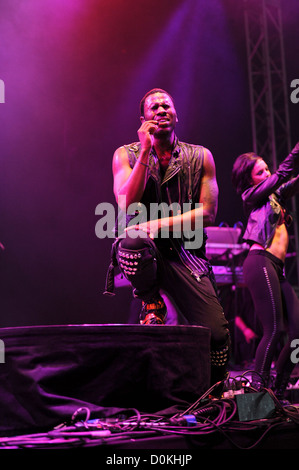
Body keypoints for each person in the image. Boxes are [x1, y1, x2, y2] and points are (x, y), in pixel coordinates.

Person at [104, 88, 230, 389]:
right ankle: (151, 301)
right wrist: (145, 152)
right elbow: (126, 203)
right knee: (131, 238)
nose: (161, 110)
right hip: (147, 252)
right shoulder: (127, 154)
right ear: (143, 119)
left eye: (166, 106)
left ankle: (213, 392)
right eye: (153, 108)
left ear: (176, 114)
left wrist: (159, 224)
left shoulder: (201, 156)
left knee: (217, 334)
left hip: (186, 256)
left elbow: (208, 214)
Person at [231, 142, 299, 402]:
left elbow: (290, 183)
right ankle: (255, 402)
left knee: (297, 335)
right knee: (274, 330)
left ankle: (278, 394)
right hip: (259, 261)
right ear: (250, 180)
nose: (268, 174)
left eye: (267, 169)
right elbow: (283, 175)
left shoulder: (276, 197)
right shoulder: (251, 196)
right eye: (261, 172)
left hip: (276, 268)